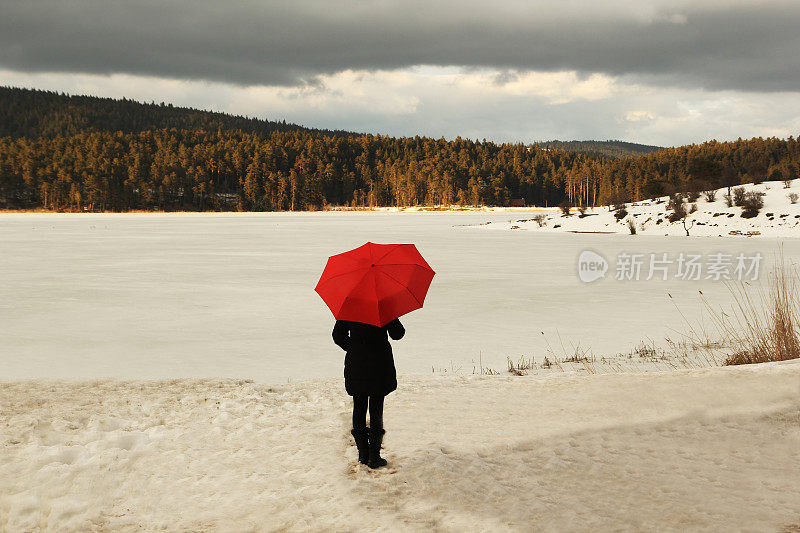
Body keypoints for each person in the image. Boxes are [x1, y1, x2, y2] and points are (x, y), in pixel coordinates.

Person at [332, 318, 405, 469]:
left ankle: (363, 455)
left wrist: (354, 347)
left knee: (359, 405)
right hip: (379, 363)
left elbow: (337, 336)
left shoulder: (349, 309)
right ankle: (374, 456)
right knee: (376, 407)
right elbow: (398, 334)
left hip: (357, 362)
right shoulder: (383, 307)